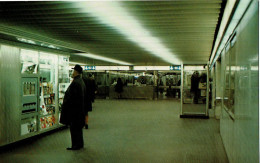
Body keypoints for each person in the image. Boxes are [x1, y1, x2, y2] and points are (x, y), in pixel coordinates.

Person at [60, 64, 86, 150]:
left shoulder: (76, 83)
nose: (72, 72)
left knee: (74, 129)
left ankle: (75, 145)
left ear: (76, 72)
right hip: (79, 110)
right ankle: (80, 144)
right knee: (78, 129)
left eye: (73, 71)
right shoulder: (81, 82)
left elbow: (73, 98)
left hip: (74, 111)